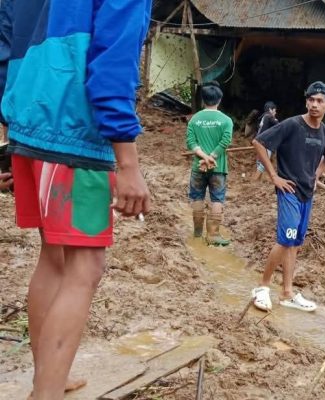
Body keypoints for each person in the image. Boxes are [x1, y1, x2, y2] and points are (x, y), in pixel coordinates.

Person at [0, 0, 152, 398]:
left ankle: (48, 376)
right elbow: (114, 60)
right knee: (86, 266)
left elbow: (5, 44)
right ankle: (46, 393)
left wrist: (6, 132)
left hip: (27, 121)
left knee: (52, 256)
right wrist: (128, 163)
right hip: (75, 132)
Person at [251, 82, 325, 312]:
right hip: (288, 191)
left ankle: (287, 293)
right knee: (285, 239)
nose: (314, 104)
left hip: (307, 194)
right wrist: (274, 177)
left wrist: (316, 176)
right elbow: (259, 142)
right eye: (311, 99)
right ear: (306, 101)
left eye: (320, 101)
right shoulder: (291, 125)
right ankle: (262, 287)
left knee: (295, 244)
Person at [186, 81, 233, 246]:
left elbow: (191, 142)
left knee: (197, 197)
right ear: (219, 100)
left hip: (198, 167)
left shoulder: (194, 120)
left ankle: (197, 233)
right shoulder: (226, 120)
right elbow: (225, 141)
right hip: (218, 167)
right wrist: (212, 157)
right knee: (217, 199)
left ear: (203, 99)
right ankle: (213, 235)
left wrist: (203, 157)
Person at [253, 101, 279, 181]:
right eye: (274, 110)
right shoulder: (269, 116)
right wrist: (275, 119)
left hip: (257, 142)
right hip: (265, 143)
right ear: (271, 109)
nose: (275, 112)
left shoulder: (262, 117)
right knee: (264, 163)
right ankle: (253, 181)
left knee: (259, 163)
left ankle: (258, 181)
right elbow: (279, 126)